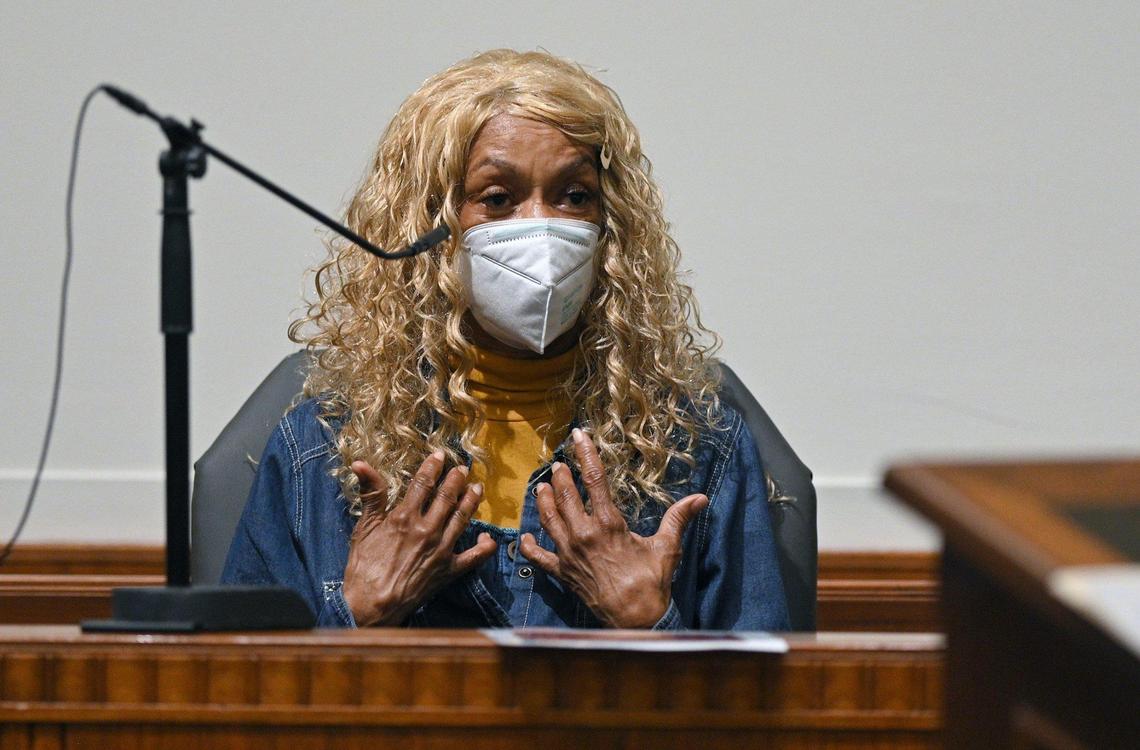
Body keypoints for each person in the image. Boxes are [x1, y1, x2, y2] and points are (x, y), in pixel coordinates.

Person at [221, 49, 789, 631]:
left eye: (574, 195)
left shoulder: (694, 444)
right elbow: (240, 699)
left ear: (611, 224)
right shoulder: (323, 445)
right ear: (430, 226)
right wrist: (357, 614)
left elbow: (761, 706)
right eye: (497, 198)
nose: (540, 227)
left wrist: (650, 622)